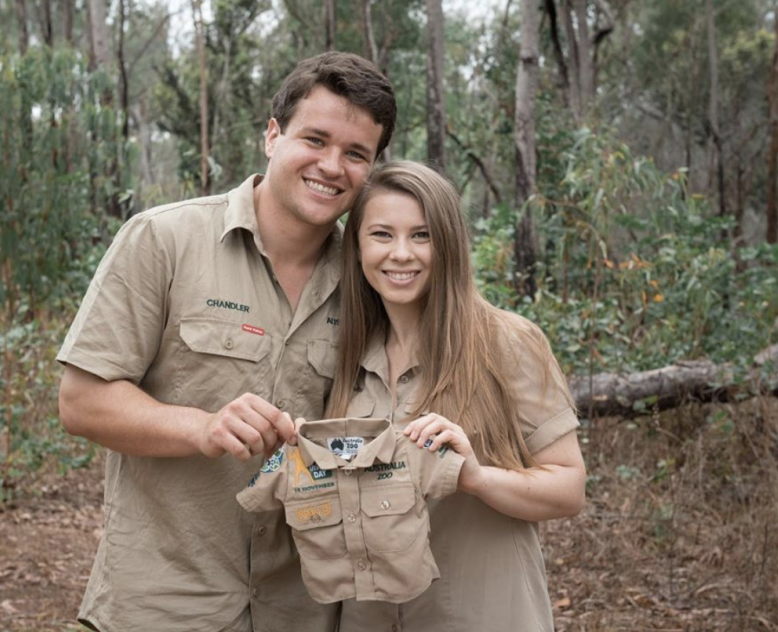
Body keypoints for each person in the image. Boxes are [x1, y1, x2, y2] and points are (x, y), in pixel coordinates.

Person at [56, 52, 396, 632]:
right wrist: (203, 427)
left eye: (356, 153)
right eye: (315, 138)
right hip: (165, 603)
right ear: (272, 135)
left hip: (302, 609)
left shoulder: (374, 279)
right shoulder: (164, 240)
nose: (332, 166)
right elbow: (81, 401)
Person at [326, 161, 586, 631]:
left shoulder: (507, 341)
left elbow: (568, 490)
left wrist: (475, 477)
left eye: (421, 235)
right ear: (357, 247)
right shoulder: (346, 356)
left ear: (448, 244)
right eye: (382, 235)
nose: (401, 254)